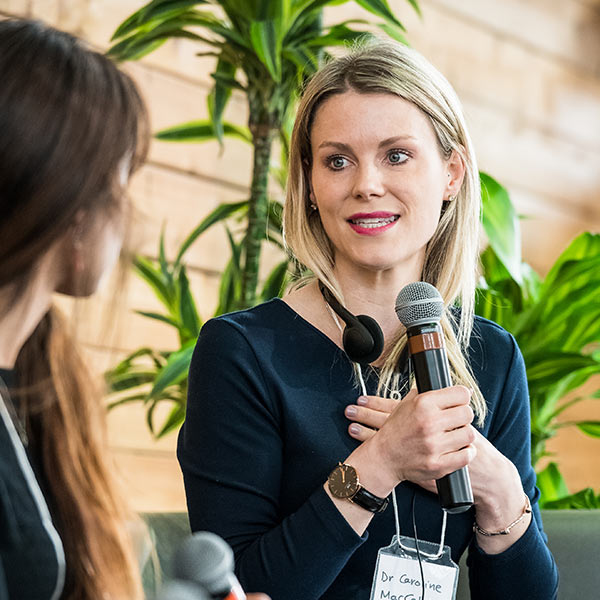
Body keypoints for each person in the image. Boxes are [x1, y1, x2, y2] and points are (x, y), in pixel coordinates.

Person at [178, 38, 559, 599]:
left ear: (451, 174)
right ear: (310, 186)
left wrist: (498, 487)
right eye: (337, 161)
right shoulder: (242, 351)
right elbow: (237, 589)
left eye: (396, 155)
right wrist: (379, 463)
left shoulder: (491, 356)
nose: (366, 184)